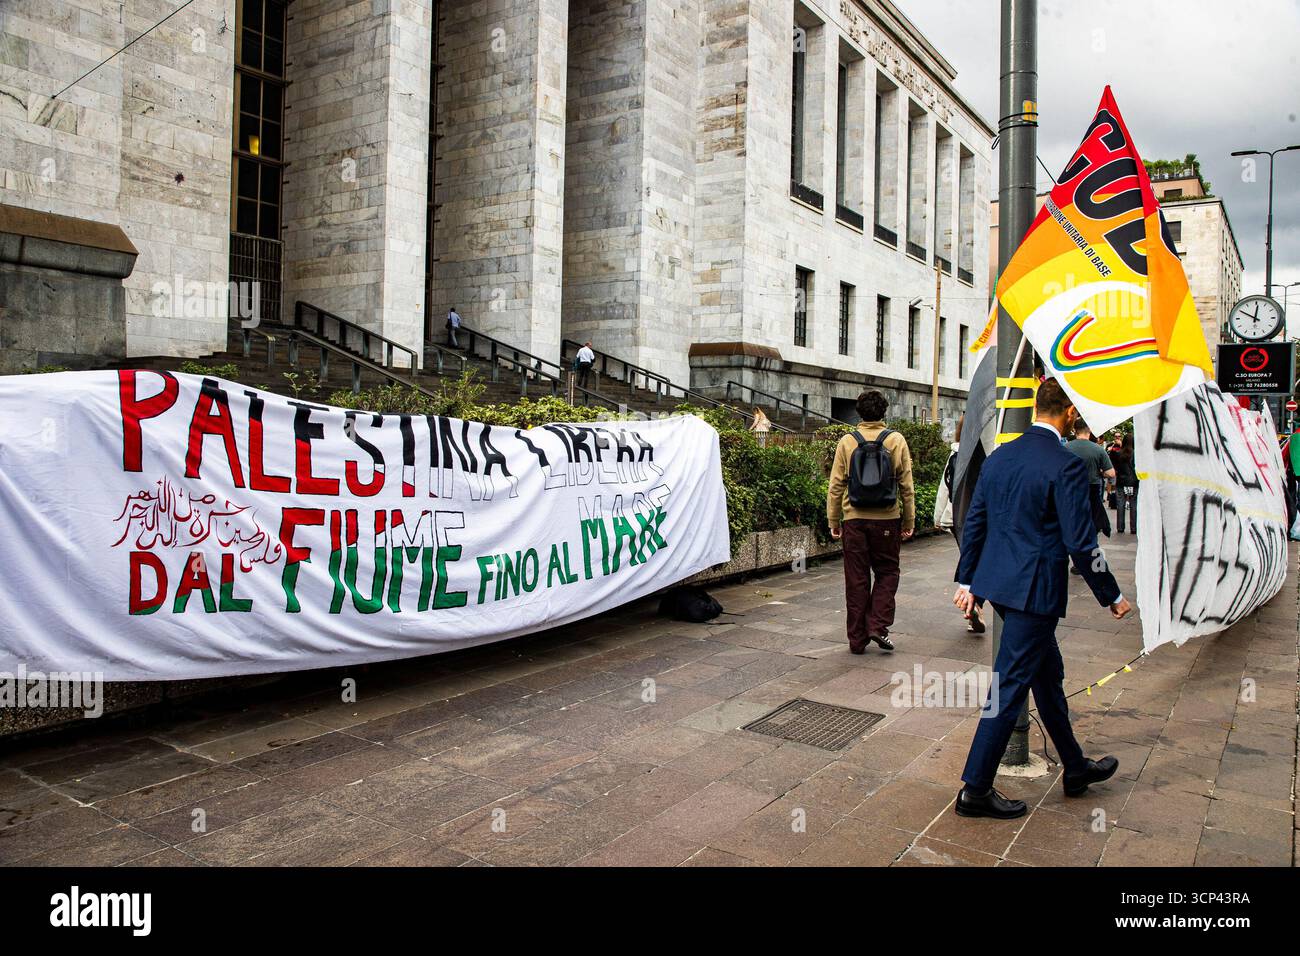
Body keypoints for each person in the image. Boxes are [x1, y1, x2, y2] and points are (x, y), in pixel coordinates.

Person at [952, 378, 1132, 819]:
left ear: (1036, 408)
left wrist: (968, 580)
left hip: (1004, 589)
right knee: (1009, 689)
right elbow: (1081, 541)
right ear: (1069, 412)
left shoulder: (1000, 457)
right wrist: (1111, 594)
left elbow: (975, 521)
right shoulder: (1063, 464)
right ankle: (975, 790)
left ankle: (1074, 768)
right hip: (1035, 593)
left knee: (1047, 679)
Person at [826, 390, 915, 654]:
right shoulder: (896, 440)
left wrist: (833, 519)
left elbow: (836, 485)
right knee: (887, 572)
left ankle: (857, 640)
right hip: (887, 519)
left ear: (859, 412)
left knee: (856, 579)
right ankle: (878, 624)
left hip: (854, 519)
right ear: (884, 412)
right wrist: (908, 520)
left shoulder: (847, 441)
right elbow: (906, 486)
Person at [935, 416, 985, 634]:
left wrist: (938, 517)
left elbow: (944, 487)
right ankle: (976, 604)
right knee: (981, 560)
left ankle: (972, 602)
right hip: (983, 516)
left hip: (958, 517)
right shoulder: (989, 454)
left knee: (970, 556)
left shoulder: (956, 453)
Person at [1065, 418, 1114, 538]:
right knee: (1091, 515)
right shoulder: (1098, 449)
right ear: (1090, 430)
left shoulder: (1065, 448)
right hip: (1092, 487)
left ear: (1074, 430)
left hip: (1071, 487)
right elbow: (1111, 473)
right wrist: (1101, 473)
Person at [1111, 434, 1139, 534]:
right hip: (1134, 482)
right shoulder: (1137, 454)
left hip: (1121, 482)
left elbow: (1114, 465)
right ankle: (1134, 528)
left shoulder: (1118, 453)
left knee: (1120, 504)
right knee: (1134, 504)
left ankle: (1120, 527)